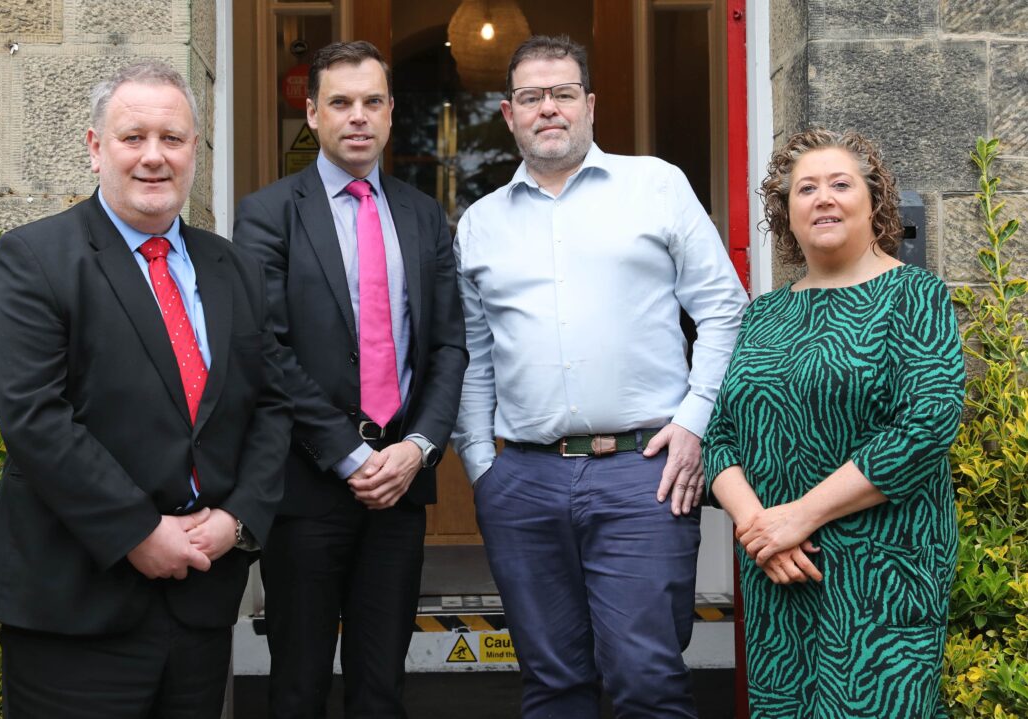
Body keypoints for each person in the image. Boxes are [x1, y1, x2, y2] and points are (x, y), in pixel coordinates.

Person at [0, 61, 293, 718]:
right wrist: (139, 530)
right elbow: (35, 418)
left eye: (171, 139)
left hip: (199, 603)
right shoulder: (34, 259)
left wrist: (237, 521)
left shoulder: (233, 268)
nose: (153, 156)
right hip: (75, 610)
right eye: (133, 137)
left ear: (194, 150)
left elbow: (271, 405)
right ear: (95, 148)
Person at [452, 34, 748, 718]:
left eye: (562, 93)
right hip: (523, 480)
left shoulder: (656, 186)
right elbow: (473, 353)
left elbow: (724, 310)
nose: (548, 108)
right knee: (552, 685)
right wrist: (480, 465)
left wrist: (693, 423)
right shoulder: (480, 224)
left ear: (589, 104)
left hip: (643, 473)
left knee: (647, 680)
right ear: (508, 113)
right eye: (531, 96)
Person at [233, 41, 467, 718]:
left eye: (371, 102)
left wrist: (417, 447)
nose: (357, 116)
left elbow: (449, 345)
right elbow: (266, 348)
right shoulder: (268, 213)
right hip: (307, 488)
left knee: (382, 686)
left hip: (400, 486)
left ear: (391, 112)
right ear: (313, 114)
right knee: (298, 686)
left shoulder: (423, 215)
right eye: (340, 102)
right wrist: (348, 452)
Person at [702, 128, 965, 716]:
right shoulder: (765, 314)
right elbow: (720, 438)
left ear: (874, 204)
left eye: (840, 185)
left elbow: (927, 425)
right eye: (805, 189)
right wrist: (760, 531)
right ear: (786, 216)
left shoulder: (914, 296)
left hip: (883, 571)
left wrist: (799, 516)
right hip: (778, 569)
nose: (823, 198)